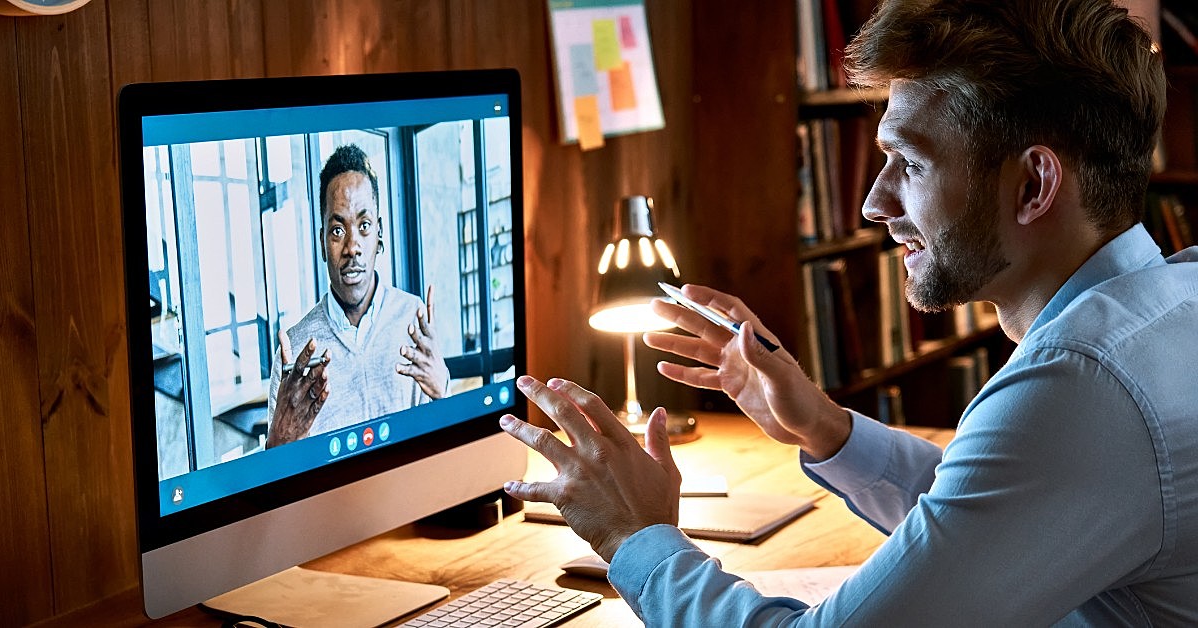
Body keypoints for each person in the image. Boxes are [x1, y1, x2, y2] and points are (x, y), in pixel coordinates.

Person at [498, 0, 1198, 624]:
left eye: (911, 163)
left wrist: (633, 538)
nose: (874, 204)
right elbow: (996, 520)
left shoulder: (1080, 386)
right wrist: (826, 428)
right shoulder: (1171, 302)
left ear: (1034, 184)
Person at [266, 144, 449, 448]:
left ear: (379, 235)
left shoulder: (412, 318)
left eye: (364, 226)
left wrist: (442, 389)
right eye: (338, 230)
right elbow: (275, 481)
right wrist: (278, 442)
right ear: (323, 243)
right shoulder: (295, 352)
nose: (352, 247)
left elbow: (443, 447)